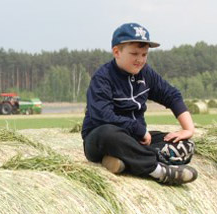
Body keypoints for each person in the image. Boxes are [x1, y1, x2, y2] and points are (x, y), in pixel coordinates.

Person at [81, 22, 198, 186]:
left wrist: (188, 129)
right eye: (134, 53)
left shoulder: (146, 73)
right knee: (108, 133)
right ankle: (158, 171)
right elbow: (102, 116)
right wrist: (139, 129)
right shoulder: (103, 78)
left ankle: (125, 161)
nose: (140, 59)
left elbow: (171, 95)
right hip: (100, 140)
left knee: (185, 146)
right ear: (117, 52)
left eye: (144, 54)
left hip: (135, 140)